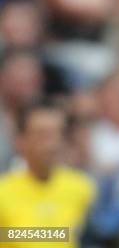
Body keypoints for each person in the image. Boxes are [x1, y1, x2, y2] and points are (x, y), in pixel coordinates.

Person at [0, 101, 97, 248]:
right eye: (42, 135)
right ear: (21, 140)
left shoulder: (82, 187)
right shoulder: (3, 192)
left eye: (58, 134)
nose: (52, 144)